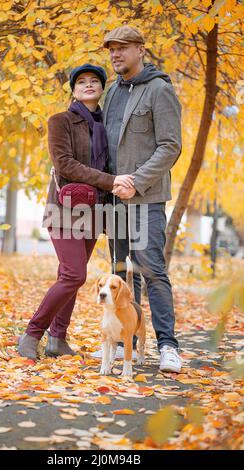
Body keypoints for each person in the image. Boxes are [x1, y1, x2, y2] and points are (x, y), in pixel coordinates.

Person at [18, 63, 134, 360]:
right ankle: (32, 334)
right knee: (73, 274)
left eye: (94, 81)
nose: (88, 85)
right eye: (81, 81)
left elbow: (110, 164)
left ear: (101, 87)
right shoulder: (60, 121)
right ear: (74, 89)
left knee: (69, 274)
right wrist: (110, 181)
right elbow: (64, 164)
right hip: (63, 208)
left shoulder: (106, 126)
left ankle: (58, 339)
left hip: (94, 211)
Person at [102, 25, 183, 373]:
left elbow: (170, 146)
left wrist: (136, 182)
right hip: (114, 201)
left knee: (151, 270)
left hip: (146, 198)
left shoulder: (159, 90)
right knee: (122, 272)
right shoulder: (111, 93)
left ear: (140, 50)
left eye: (123, 48)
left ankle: (168, 347)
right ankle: (128, 346)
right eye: (111, 49)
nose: (116, 54)